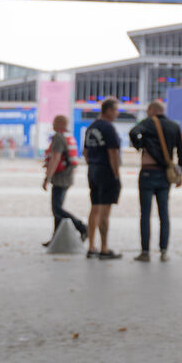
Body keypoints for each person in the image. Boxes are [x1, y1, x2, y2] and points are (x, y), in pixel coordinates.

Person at [128, 100, 182, 262]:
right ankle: (164, 251)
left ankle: (145, 251)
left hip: (148, 172)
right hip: (165, 174)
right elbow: (181, 152)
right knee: (164, 213)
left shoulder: (147, 123)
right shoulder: (174, 126)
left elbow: (133, 132)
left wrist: (140, 145)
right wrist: (180, 171)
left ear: (152, 110)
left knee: (145, 214)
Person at [83, 98, 123, 259]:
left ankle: (91, 246)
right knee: (105, 212)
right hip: (106, 170)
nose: (117, 113)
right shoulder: (108, 128)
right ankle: (104, 248)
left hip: (93, 169)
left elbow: (85, 152)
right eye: (115, 110)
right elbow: (113, 152)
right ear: (108, 110)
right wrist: (116, 174)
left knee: (94, 208)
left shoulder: (91, 127)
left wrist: (92, 165)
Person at [42, 114, 87, 247]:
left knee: (57, 208)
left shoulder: (58, 137)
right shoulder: (68, 136)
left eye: (55, 122)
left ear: (60, 124)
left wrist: (47, 178)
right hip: (68, 176)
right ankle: (56, 238)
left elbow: (55, 158)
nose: (53, 124)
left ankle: (82, 227)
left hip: (60, 177)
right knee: (57, 208)